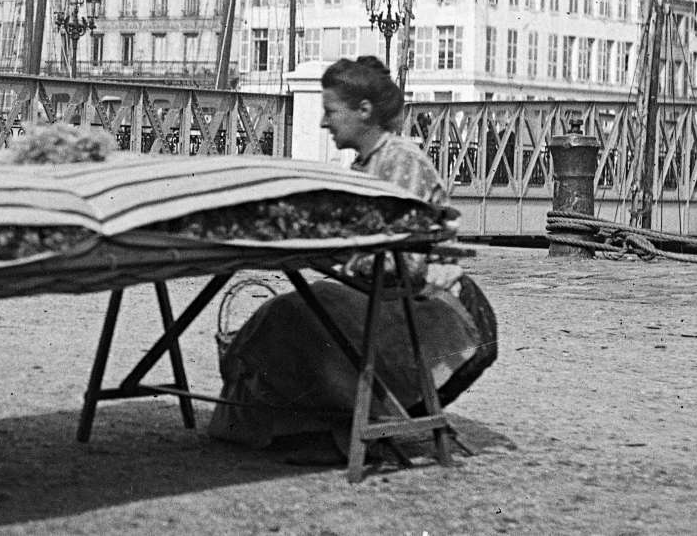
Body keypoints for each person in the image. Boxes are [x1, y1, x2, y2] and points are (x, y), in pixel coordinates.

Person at [207, 55, 495, 465]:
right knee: (288, 313)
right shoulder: (365, 163)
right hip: (395, 295)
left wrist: (337, 256)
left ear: (364, 111)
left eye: (330, 112)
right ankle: (306, 427)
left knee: (299, 315)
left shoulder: (400, 161)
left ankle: (334, 431)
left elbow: (404, 265)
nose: (324, 124)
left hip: (438, 307)